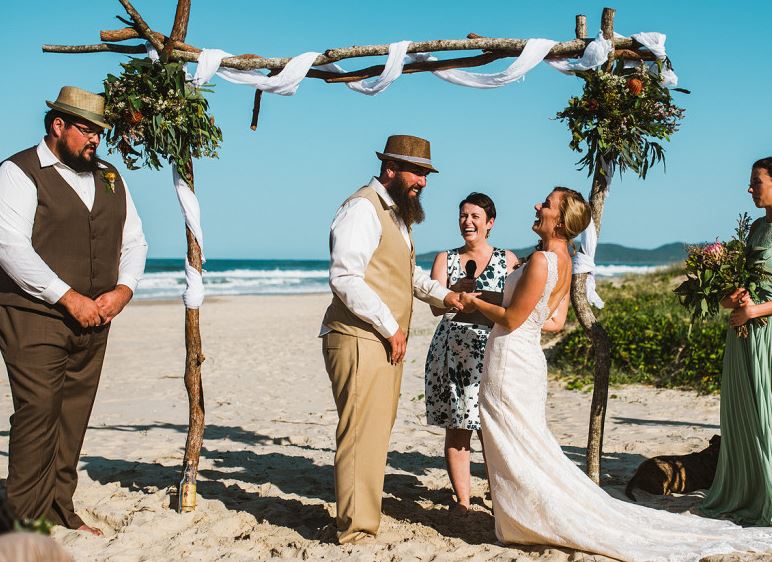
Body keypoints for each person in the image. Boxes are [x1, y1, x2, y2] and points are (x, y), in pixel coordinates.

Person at [459, 187, 772, 559]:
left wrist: (470, 301)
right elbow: (546, 318)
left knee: (517, 443)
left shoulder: (544, 260)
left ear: (560, 220)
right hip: (522, 357)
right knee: (523, 443)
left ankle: (525, 518)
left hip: (511, 357)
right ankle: (521, 515)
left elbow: (513, 318)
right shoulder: (561, 257)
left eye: (546, 204)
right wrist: (486, 297)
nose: (537, 206)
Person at [0, 86, 147, 535]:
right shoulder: (19, 171)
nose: (95, 140)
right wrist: (67, 297)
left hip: (95, 317)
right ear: (57, 126)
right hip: (33, 313)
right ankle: (21, 521)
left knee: (74, 411)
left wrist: (123, 290)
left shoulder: (109, 176)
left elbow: (134, 241)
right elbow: (9, 246)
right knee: (38, 410)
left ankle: (58, 506)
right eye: (86, 130)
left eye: (99, 132)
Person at [320, 134, 465, 544]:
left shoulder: (396, 213)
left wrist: (445, 295)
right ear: (391, 169)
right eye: (418, 172)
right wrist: (390, 325)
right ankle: (355, 529)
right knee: (359, 432)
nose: (424, 181)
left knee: (376, 431)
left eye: (425, 173)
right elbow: (345, 277)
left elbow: (405, 274)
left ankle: (364, 518)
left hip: (381, 339)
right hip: (358, 337)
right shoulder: (361, 209)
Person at [424, 192, 517, 515]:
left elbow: (519, 304)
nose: (468, 222)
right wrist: (453, 293)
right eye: (463, 215)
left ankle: (498, 494)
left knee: (492, 429)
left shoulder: (509, 259)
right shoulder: (444, 258)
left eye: (475, 216)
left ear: (490, 223)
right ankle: (463, 501)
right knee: (458, 427)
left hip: (492, 350)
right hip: (453, 350)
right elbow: (436, 308)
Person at [701, 157, 772, 525]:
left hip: (767, 331)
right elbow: (747, 278)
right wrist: (731, 298)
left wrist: (755, 311)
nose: (749, 188)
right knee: (743, 414)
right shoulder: (757, 228)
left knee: (768, 413)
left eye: (755, 181)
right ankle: (751, 488)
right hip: (744, 331)